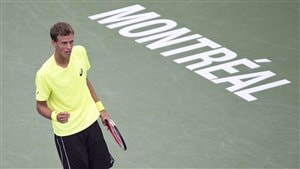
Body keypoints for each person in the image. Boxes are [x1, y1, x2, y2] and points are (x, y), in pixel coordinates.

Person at [35, 22, 114, 169]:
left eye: (71, 42)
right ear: (54, 43)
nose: (69, 47)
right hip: (68, 133)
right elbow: (40, 105)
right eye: (64, 43)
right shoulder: (44, 73)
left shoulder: (80, 52)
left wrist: (101, 110)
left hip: (91, 124)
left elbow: (84, 80)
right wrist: (55, 116)